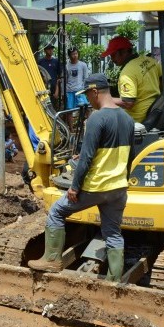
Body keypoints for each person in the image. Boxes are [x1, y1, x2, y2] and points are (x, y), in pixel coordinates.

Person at [27, 73, 135, 282]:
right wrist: (123, 183)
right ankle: (114, 281)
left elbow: (86, 158)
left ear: (95, 92)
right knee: (112, 233)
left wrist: (75, 188)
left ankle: (52, 260)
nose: (87, 99)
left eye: (87, 94)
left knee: (57, 211)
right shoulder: (128, 119)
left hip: (95, 187)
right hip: (118, 188)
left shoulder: (96, 118)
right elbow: (129, 157)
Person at [102, 36, 162, 123]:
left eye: (114, 55)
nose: (112, 59)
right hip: (156, 111)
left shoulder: (127, 73)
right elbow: (163, 81)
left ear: (124, 52)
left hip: (138, 120)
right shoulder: (149, 60)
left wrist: (104, 98)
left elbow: (128, 103)